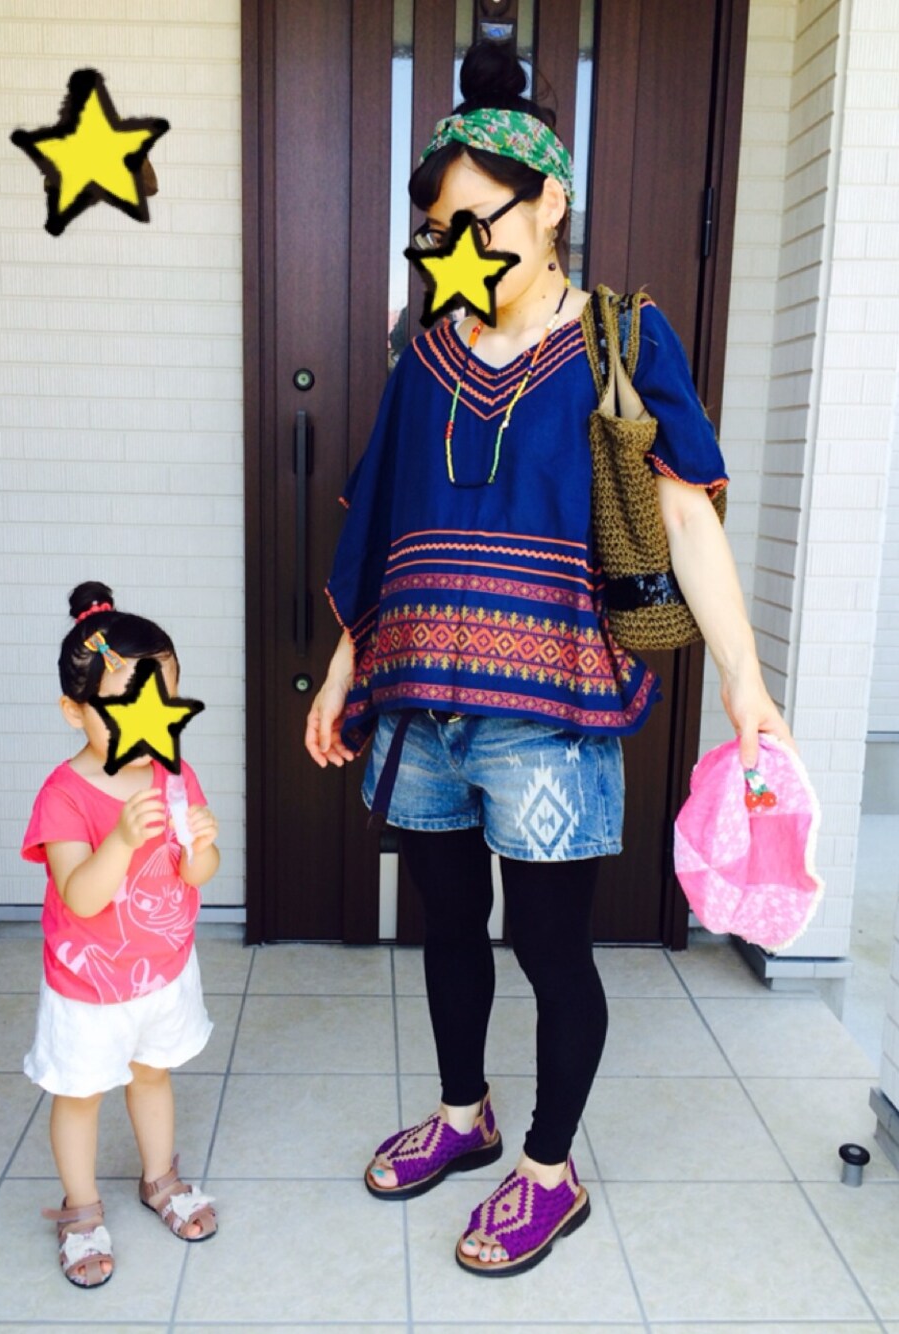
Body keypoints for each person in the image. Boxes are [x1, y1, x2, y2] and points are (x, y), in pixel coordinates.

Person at [304, 42, 793, 1278]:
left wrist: (744, 678)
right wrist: (344, 668)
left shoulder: (624, 337)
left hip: (550, 711)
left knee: (549, 947)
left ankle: (548, 1166)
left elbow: (685, 513)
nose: (458, 244)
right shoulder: (424, 352)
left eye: (480, 218)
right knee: (447, 926)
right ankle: (463, 1114)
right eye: (439, 229)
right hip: (420, 700)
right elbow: (380, 516)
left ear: (550, 204)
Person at [22, 581, 220, 1288]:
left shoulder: (174, 775)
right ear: (75, 712)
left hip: (161, 970)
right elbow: (79, 895)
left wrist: (202, 847)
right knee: (80, 1094)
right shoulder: (64, 796)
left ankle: (159, 1177)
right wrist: (122, 840)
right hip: (88, 984)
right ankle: (80, 1210)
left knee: (152, 1073)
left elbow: (197, 874)